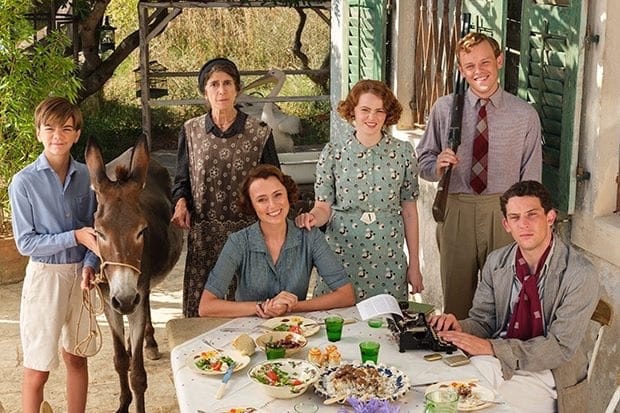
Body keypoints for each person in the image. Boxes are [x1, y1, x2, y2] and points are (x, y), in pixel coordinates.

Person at [430, 180, 599, 413]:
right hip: (499, 360)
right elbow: (483, 320)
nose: (524, 225)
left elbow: (559, 348)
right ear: (506, 224)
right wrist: (458, 327)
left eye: (532, 215)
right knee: (450, 381)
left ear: (550, 217)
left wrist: (492, 348)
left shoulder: (579, 273)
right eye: (515, 217)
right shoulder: (497, 262)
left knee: (469, 396)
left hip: (551, 376)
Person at [416, 32, 543, 319]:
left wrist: (527, 224)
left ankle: (493, 362)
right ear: (462, 70)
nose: (478, 71)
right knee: (457, 306)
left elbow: (532, 180)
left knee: (505, 300)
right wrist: (437, 164)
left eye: (485, 62)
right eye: (470, 66)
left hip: (504, 213)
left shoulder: (524, 115)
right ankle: (458, 360)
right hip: (457, 209)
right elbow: (422, 160)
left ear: (499, 61)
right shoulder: (445, 108)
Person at [8, 97, 99, 413]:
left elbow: (95, 229)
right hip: (45, 278)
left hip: (82, 279)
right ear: (38, 132)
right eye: (49, 128)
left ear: (76, 134)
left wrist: (90, 262)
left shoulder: (89, 177)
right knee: (37, 367)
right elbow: (26, 244)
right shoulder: (23, 182)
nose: (57, 135)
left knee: (77, 356)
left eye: (66, 128)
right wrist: (73, 236)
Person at [171, 58, 281, 317]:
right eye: (214, 84)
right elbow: (181, 181)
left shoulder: (259, 132)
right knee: (203, 314)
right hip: (204, 238)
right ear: (204, 92)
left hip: (248, 237)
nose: (221, 90)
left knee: (249, 312)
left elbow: (275, 182)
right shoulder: (191, 131)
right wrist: (180, 202)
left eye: (228, 83)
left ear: (237, 89)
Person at [296, 79, 423, 302]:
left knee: (388, 325)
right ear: (352, 111)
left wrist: (414, 264)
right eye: (365, 110)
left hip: (388, 256)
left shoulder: (403, 152)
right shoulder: (333, 152)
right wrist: (311, 218)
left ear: (387, 114)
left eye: (379, 111)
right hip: (341, 254)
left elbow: (410, 211)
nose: (371, 117)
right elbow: (323, 207)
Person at [198, 165, 355, 317]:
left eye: (277, 195)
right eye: (261, 199)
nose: (272, 205)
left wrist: (291, 307)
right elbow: (206, 306)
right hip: (248, 332)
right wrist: (261, 307)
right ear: (251, 206)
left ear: (288, 194)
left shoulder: (310, 237)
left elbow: (346, 295)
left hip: (295, 332)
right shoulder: (238, 242)